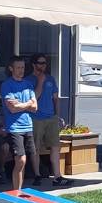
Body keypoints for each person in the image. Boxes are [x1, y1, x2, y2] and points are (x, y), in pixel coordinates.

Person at [31, 54, 72, 188]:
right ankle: (37, 175)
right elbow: (33, 99)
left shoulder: (51, 79)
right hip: (35, 118)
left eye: (45, 63)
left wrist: (57, 115)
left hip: (51, 118)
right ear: (34, 64)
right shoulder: (28, 80)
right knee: (35, 147)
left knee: (55, 146)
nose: (43, 65)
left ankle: (57, 176)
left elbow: (55, 98)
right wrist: (40, 82)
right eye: (40, 63)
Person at [1, 55, 38, 191]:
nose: (21, 70)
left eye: (22, 67)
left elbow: (35, 107)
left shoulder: (28, 85)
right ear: (11, 68)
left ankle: (19, 191)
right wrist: (27, 104)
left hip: (28, 126)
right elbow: (12, 108)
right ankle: (16, 191)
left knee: (25, 160)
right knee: (20, 160)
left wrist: (22, 104)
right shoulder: (7, 85)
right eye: (18, 67)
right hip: (14, 128)